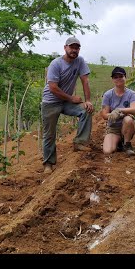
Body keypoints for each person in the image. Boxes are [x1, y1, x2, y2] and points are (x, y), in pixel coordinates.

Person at [41, 36, 94, 174]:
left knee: (86, 110)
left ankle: (80, 142)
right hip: (51, 102)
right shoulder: (56, 64)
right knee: (50, 134)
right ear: (65, 48)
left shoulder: (80, 61)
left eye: (77, 48)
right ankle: (48, 163)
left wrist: (88, 100)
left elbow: (85, 81)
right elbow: (52, 87)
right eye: (71, 47)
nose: (74, 50)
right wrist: (71, 98)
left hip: (65, 102)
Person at [101, 66, 135, 156]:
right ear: (112, 79)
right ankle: (119, 143)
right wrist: (113, 115)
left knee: (128, 119)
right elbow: (104, 115)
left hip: (127, 125)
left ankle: (127, 144)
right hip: (113, 128)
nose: (118, 79)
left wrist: (119, 111)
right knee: (107, 151)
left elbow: (134, 109)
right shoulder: (107, 95)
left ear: (125, 77)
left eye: (121, 76)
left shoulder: (131, 94)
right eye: (115, 77)